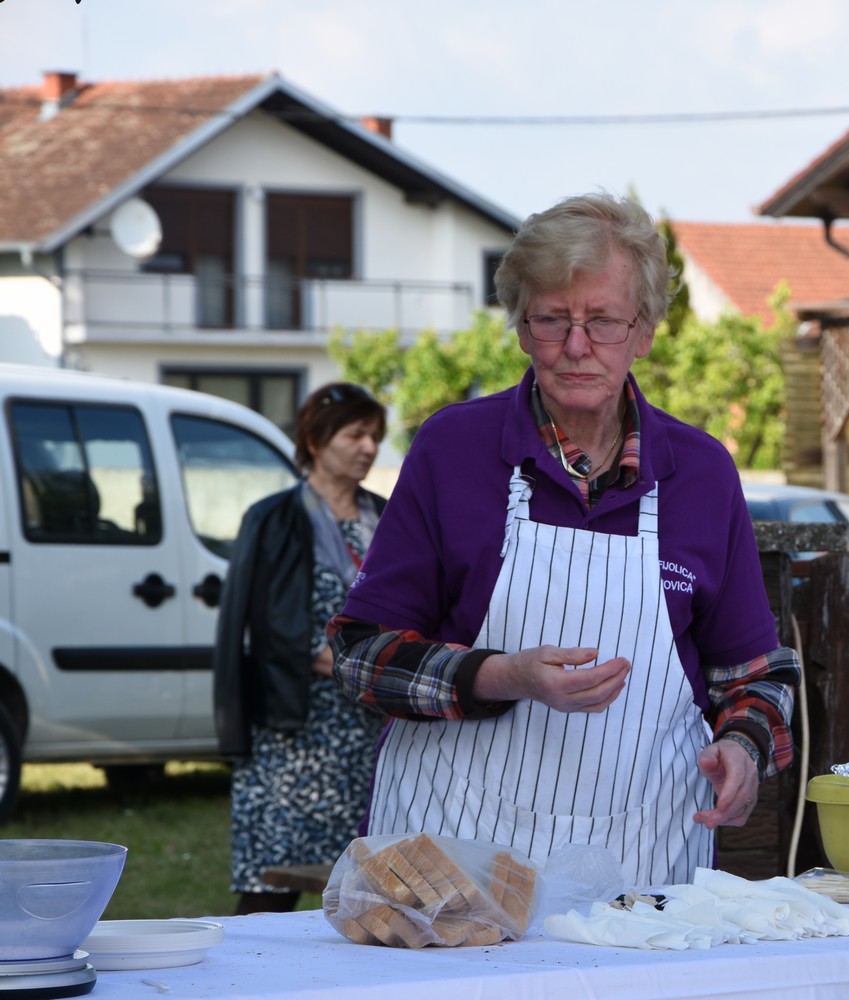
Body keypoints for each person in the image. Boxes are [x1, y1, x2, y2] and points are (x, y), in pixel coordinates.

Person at [329, 192, 800, 889]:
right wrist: (502, 676)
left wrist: (742, 743)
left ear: (644, 332)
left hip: (638, 862)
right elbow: (359, 655)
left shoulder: (700, 474)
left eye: (604, 321)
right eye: (553, 320)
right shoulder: (453, 450)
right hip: (451, 855)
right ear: (521, 329)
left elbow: (756, 676)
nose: (577, 346)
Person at [214, 382, 388, 914]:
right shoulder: (272, 519)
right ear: (315, 440)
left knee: (367, 887)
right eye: (355, 434)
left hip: (370, 727)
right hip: (295, 726)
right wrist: (363, 671)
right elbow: (265, 626)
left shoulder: (385, 516)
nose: (369, 448)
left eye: (375, 437)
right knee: (272, 886)